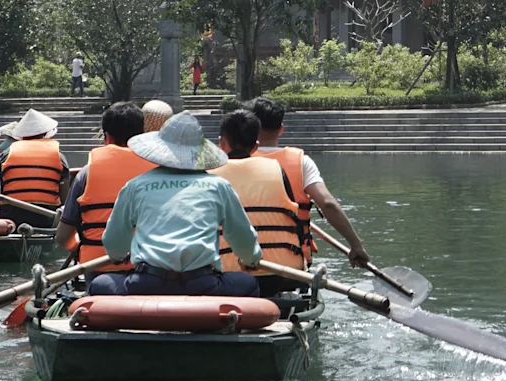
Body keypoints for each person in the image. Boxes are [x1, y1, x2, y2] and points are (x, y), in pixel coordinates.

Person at [87, 112, 262, 297]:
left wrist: (119, 256)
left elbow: (114, 243)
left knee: (100, 284)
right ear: (199, 152)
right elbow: (243, 238)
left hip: (147, 283)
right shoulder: (219, 186)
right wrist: (250, 259)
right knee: (249, 284)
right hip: (202, 283)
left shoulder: (135, 186)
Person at [249, 96, 371, 269]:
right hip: (291, 264)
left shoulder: (232, 162)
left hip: (240, 264)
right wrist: (356, 245)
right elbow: (327, 204)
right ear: (281, 129)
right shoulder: (302, 163)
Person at [212, 110, 307, 293]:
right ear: (256, 146)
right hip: (282, 272)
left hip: (226, 275)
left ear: (221, 144)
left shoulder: (207, 175)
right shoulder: (276, 168)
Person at [56, 102, 154, 274]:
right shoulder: (158, 171)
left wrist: (78, 247)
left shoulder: (86, 174)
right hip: (151, 269)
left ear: (106, 137)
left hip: (97, 267)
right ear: (142, 135)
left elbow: (63, 237)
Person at [0, 108, 67, 226]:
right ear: (46, 134)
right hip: (46, 216)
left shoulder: (6, 154)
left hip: (11, 215)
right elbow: (65, 193)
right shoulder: (58, 155)